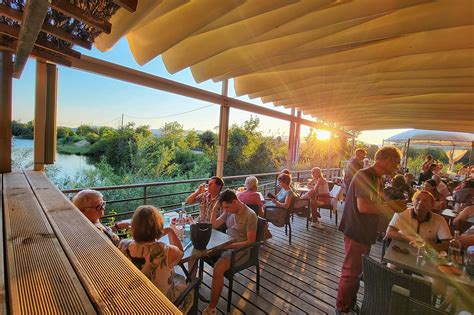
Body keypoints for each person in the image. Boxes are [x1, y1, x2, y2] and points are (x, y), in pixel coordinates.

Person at [336, 146, 406, 314]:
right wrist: (391, 207)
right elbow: (364, 206)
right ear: (387, 160)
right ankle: (342, 309)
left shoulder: (377, 178)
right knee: (351, 272)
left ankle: (350, 305)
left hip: (365, 231)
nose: (397, 168)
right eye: (396, 163)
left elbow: (377, 204)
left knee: (357, 271)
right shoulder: (364, 175)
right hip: (356, 230)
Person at [118, 206, 192, 312]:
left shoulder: (123, 245)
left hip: (133, 301)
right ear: (159, 227)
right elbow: (180, 252)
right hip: (160, 306)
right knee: (181, 280)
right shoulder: (165, 250)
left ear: (133, 226)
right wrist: (170, 231)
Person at [202, 190, 257, 315]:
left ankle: (212, 308)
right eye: (223, 207)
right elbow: (214, 225)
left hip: (241, 250)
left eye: (227, 206)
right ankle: (192, 284)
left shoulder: (250, 215)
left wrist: (229, 246)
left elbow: (250, 241)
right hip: (225, 244)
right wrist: (216, 207)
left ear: (235, 201)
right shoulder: (228, 210)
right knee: (199, 250)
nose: (226, 210)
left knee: (218, 268)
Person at [385, 190, 452, 251]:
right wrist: (413, 239)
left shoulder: (439, 220)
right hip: (401, 250)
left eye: (425, 201)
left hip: (426, 255)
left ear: (432, 205)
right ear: (413, 201)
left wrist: (431, 246)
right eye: (417, 199)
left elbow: (447, 244)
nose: (420, 202)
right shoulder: (402, 213)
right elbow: (389, 233)